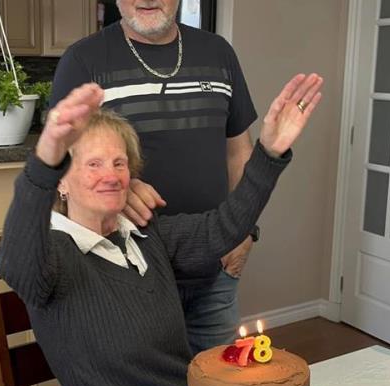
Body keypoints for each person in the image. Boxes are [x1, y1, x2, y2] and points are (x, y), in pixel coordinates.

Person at [0, 75, 321, 386]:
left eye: (119, 163)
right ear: (60, 180)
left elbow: (222, 229)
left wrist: (268, 153)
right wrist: (43, 162)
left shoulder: (147, 236)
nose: (111, 176)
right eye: (93, 164)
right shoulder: (52, 255)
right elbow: (15, 262)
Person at [49, 0, 323, 353]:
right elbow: (58, 159)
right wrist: (117, 183)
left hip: (215, 270)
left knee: (220, 380)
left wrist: (245, 234)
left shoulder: (219, 53)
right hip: (130, 271)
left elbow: (238, 152)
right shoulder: (82, 60)